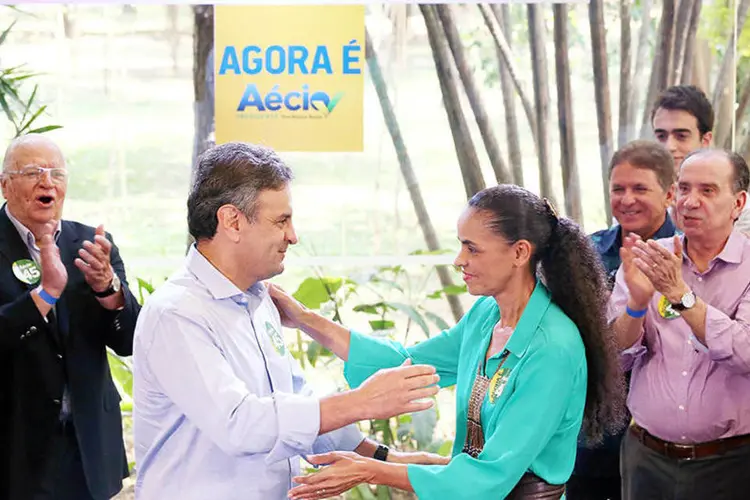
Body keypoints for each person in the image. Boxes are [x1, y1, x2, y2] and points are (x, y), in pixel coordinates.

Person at [269, 184, 625, 500]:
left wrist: (369, 469)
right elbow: (405, 364)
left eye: (472, 249)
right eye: (460, 246)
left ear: (519, 253)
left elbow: (491, 477)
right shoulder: (486, 315)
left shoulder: (553, 349)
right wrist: (304, 319)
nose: (459, 261)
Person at [132, 142, 444, 500]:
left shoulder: (260, 299)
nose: (293, 236)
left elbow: (297, 401)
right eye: (281, 221)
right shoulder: (177, 314)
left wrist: (387, 460)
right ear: (232, 221)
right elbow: (240, 424)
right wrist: (362, 401)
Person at [0, 134, 140, 500]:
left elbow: (128, 340)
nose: (47, 183)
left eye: (57, 174)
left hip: (88, 445)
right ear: (5, 185)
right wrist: (44, 294)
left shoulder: (92, 245)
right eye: (33, 172)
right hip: (16, 446)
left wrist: (108, 289)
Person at [611, 149, 750, 500]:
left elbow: (745, 353)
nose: (690, 202)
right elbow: (615, 357)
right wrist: (637, 306)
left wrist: (678, 293)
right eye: (684, 189)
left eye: (707, 191)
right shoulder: (647, 257)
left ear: (738, 203)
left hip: (731, 462)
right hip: (646, 456)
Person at [567, 141, 678, 500]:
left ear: (669, 194)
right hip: (595, 427)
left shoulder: (688, 253)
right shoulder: (588, 252)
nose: (627, 199)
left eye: (640, 188)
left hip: (666, 432)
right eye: (618, 189)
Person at [651, 84, 750, 233]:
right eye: (661, 136)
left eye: (681, 136)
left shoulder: (740, 210)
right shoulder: (640, 197)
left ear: (705, 140)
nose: (669, 146)